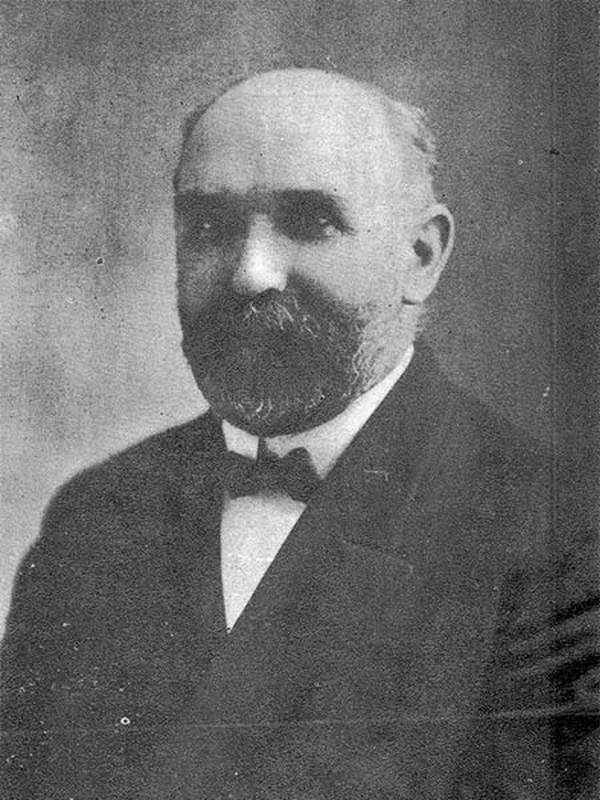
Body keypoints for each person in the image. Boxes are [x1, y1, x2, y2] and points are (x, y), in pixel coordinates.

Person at [1, 68, 597, 799]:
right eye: (209, 227)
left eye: (311, 222)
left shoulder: (561, 536)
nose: (251, 274)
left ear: (420, 257)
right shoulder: (95, 518)